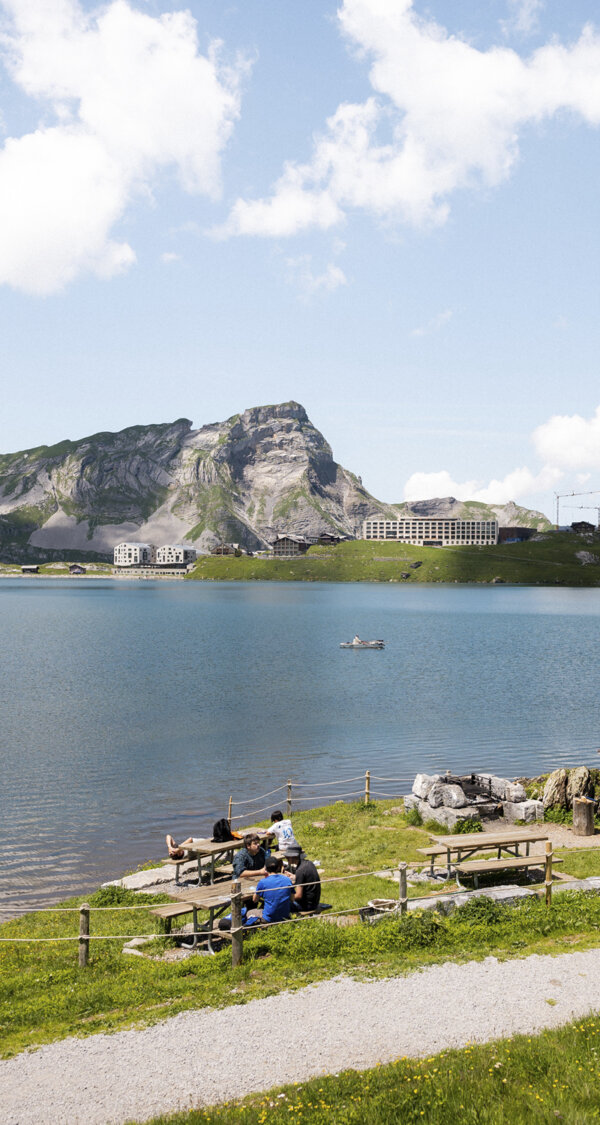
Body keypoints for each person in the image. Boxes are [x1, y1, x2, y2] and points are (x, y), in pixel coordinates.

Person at [254, 856, 294, 924]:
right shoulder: (287, 880)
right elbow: (292, 899)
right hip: (285, 916)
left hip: (269, 918)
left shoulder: (262, 882)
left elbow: (255, 900)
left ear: (265, 868)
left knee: (249, 912)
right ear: (278, 867)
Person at [285, 845, 321, 913]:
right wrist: (295, 877)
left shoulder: (300, 870)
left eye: (288, 857)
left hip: (306, 906)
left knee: (279, 904)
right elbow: (306, 878)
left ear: (294, 857)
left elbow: (298, 896)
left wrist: (285, 897)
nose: (286, 858)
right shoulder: (309, 863)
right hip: (314, 902)